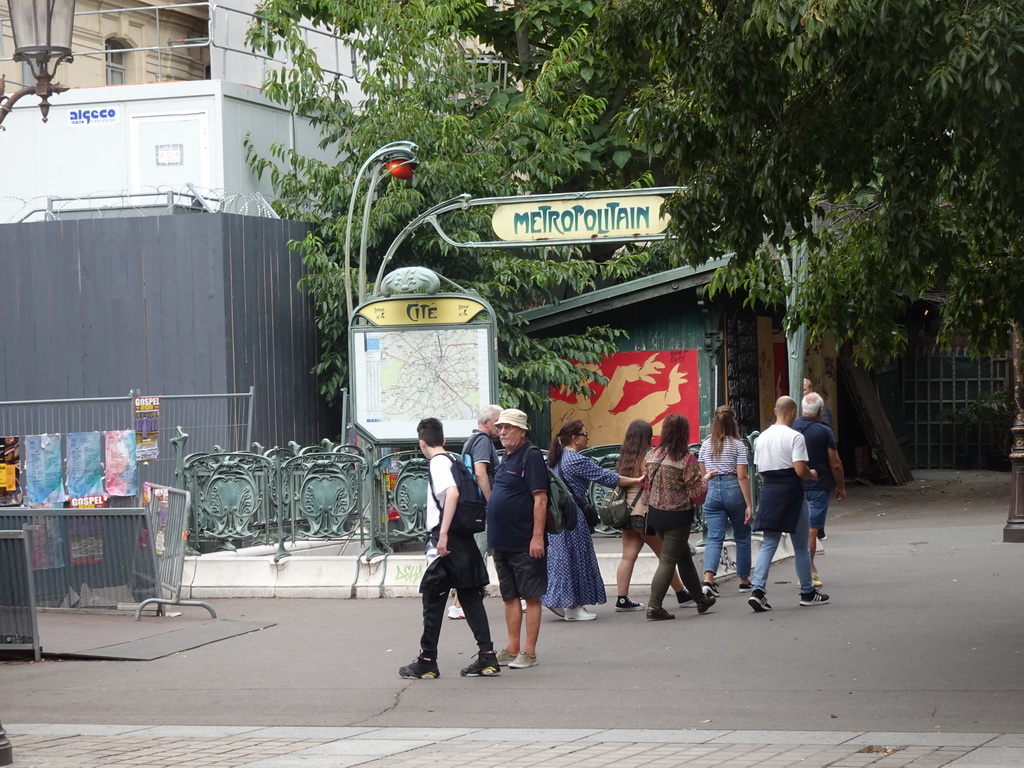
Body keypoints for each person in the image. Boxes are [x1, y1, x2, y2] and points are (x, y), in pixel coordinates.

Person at [398, 418, 499, 679]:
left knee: (433, 601)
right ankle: (487, 657)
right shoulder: (454, 459)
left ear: (422, 443)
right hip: (463, 538)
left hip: (445, 541)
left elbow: (452, 494)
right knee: (470, 597)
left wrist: (442, 534)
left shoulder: (438, 462)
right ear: (442, 440)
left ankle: (427, 660)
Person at [544, 420, 645, 620]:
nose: (587, 437)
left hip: (555, 515)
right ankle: (573, 607)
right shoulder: (575, 460)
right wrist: (636, 480)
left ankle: (558, 601)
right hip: (573, 515)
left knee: (560, 559)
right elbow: (606, 477)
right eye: (584, 433)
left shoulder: (555, 458)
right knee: (577, 558)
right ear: (574, 438)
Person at [748, 396, 830, 613]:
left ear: (776, 411)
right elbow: (800, 469)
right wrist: (812, 475)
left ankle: (757, 591)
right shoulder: (795, 437)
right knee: (801, 545)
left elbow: (761, 473)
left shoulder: (761, 438)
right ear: (793, 412)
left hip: (770, 491)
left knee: (769, 543)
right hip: (792, 491)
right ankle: (807, 591)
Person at [486, 408, 548, 669]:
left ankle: (529, 652)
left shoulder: (530, 456)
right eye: (500, 427)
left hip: (524, 541)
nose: (503, 432)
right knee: (509, 597)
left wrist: (537, 538)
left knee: (530, 597)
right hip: (502, 542)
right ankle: (512, 647)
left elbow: (540, 499)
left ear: (522, 431)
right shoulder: (506, 456)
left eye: (508, 427)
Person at [642, 413, 716, 621]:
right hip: (678, 516)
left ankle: (701, 600)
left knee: (683, 556)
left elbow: (646, 485)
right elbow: (696, 494)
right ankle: (654, 606)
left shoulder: (651, 455)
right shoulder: (687, 459)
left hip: (656, 515)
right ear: (684, 433)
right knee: (667, 560)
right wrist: (706, 480)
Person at [613, 419, 689, 611]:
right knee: (666, 557)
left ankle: (622, 598)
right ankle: (681, 593)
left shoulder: (624, 458)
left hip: (626, 513)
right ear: (646, 436)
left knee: (627, 557)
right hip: (644, 513)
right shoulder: (648, 457)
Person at [448, 404, 502, 621]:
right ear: (487, 423)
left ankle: (516, 594)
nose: (501, 427)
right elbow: (481, 473)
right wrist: (492, 502)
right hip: (483, 506)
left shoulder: (472, 440)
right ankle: (458, 604)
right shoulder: (482, 441)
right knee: (480, 552)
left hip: (475, 505)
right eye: (498, 422)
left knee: (497, 550)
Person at [697, 405, 754, 596]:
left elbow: (703, 476)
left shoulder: (705, 445)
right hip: (732, 488)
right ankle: (744, 581)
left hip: (711, 490)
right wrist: (748, 504)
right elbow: (742, 477)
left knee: (714, 537)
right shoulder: (739, 445)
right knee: (742, 535)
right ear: (733, 422)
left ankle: (708, 581)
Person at [793, 392, 846, 589]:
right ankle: (809, 572)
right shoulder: (825, 431)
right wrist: (840, 486)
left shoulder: (791, 427)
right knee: (811, 531)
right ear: (820, 411)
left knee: (798, 530)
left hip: (794, 484)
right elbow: (835, 463)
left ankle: (808, 570)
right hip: (817, 485)